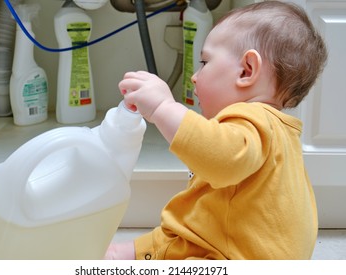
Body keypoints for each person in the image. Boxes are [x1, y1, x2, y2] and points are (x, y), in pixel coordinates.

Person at [105, 0, 328, 260]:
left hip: (233, 260)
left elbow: (220, 158)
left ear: (247, 70)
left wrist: (163, 107)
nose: (194, 76)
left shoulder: (252, 118)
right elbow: (202, 221)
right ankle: (134, 253)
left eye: (204, 61)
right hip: (232, 244)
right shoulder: (278, 132)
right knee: (198, 216)